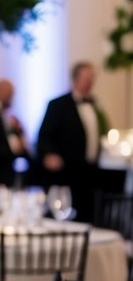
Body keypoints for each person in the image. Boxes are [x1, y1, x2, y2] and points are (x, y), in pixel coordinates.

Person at [35, 61, 115, 222]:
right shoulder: (58, 105)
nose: (91, 81)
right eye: (87, 77)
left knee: (89, 216)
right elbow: (44, 136)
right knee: (67, 216)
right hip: (67, 172)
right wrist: (49, 154)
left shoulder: (95, 106)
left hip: (90, 171)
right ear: (75, 79)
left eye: (92, 78)